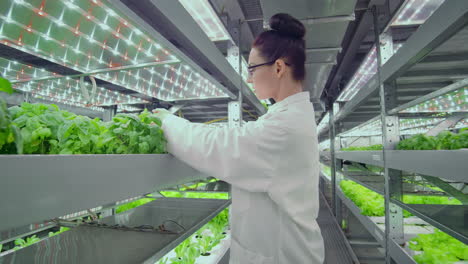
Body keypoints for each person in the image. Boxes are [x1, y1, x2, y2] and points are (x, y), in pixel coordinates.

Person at [153, 13, 324, 264]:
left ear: (278, 68)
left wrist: (166, 121)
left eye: (252, 68)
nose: (249, 77)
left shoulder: (285, 128)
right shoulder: (287, 118)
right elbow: (235, 141)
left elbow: (219, 146)